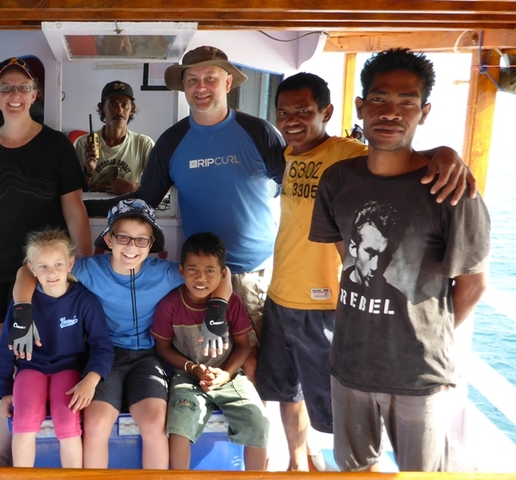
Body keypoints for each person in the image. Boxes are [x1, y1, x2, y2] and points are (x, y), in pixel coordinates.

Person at [258, 72, 476, 471]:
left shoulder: (346, 155)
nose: (292, 120)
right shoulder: (289, 157)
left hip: (325, 305)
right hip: (280, 293)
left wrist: (446, 153)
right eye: (284, 113)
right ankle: (297, 462)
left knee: (339, 417)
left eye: (304, 111)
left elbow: (392, 151)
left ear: (328, 112)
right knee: (287, 391)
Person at [309, 48, 490, 472]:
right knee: (355, 469)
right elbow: (347, 260)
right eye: (379, 99)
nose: (392, 112)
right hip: (348, 363)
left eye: (407, 102)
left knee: (420, 473)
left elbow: (474, 284)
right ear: (360, 106)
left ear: (423, 112)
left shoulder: (450, 190)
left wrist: (421, 336)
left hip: (418, 376)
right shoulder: (338, 180)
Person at [85, 45, 287, 383]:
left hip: (255, 273)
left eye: (210, 77)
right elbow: (144, 200)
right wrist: (77, 204)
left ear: (227, 82)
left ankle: (254, 432)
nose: (201, 87)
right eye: (192, 79)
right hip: (200, 278)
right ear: (184, 86)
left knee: (257, 362)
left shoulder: (259, 132)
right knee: (207, 365)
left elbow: (295, 191)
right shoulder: (172, 141)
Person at [13, 199, 233, 469]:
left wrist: (217, 311)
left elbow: (224, 275)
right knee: (95, 424)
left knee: (154, 423)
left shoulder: (164, 272)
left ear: (151, 245)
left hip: (147, 359)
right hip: (105, 357)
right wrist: (22, 311)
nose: (131, 247)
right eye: (123, 237)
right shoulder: (88, 269)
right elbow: (27, 269)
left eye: (142, 240)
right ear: (108, 238)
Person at [0, 56, 92, 466]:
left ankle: (2, 451)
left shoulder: (55, 146)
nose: (15, 95)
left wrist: (80, 270)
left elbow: (75, 214)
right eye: (6, 88)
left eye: (22, 88)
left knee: (24, 358)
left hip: (41, 274)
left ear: (35, 95)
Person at [0, 229, 114, 468]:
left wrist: (91, 379)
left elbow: (102, 345)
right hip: (30, 370)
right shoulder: (22, 306)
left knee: (68, 423)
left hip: (68, 370)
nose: (52, 273)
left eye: (58, 264)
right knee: (24, 421)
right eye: (43, 267)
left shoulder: (84, 300)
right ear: (32, 269)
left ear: (70, 264)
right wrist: (4, 391)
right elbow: (5, 349)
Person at [151, 232, 269, 471]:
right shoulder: (170, 304)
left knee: (259, 423)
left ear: (223, 274)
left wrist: (226, 374)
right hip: (187, 376)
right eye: (193, 270)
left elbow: (244, 344)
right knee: (179, 427)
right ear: (181, 271)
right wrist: (192, 368)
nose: (201, 278)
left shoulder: (232, 302)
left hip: (229, 375)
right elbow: (162, 347)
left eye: (210, 271)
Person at [74, 80, 154, 194]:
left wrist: (132, 187)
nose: (120, 110)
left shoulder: (143, 144)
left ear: (132, 109)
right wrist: (89, 171)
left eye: (125, 104)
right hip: (92, 209)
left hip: (129, 209)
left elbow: (159, 185)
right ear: (101, 108)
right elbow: (71, 192)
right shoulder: (83, 144)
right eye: (113, 104)